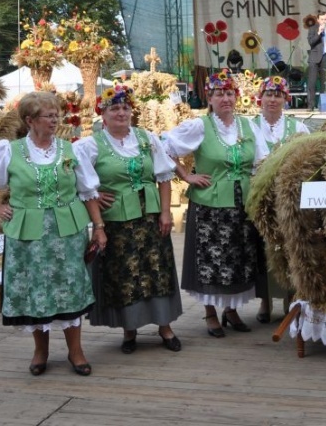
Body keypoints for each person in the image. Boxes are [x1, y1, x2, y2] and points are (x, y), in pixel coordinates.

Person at [0, 91, 107, 377]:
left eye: (57, 115)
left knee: (70, 287)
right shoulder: (10, 151)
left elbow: (87, 191)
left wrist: (99, 228)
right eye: (48, 116)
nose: (55, 120)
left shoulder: (71, 150)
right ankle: (40, 351)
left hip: (67, 233)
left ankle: (76, 351)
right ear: (30, 120)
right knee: (35, 290)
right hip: (27, 236)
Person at [74, 83, 183, 354]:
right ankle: (129, 330)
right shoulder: (91, 145)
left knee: (158, 269)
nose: (121, 113)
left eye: (125, 108)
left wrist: (166, 212)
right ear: (103, 114)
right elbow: (80, 182)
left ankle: (165, 327)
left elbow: (164, 176)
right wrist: (95, 202)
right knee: (125, 273)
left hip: (150, 217)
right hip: (116, 221)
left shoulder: (147, 139)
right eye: (114, 109)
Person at [163, 70, 269, 337]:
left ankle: (231, 310)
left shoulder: (248, 126)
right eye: (219, 94)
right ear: (209, 98)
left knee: (238, 258)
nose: (226, 99)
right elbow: (165, 147)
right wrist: (186, 175)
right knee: (210, 260)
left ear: (237, 97)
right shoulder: (200, 126)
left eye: (230, 93)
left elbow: (262, 160)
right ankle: (210, 312)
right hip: (209, 204)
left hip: (242, 204)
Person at [250, 75, 310, 322]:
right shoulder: (249, 126)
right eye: (268, 95)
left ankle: (291, 299)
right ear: (260, 98)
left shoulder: (298, 128)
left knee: (290, 246)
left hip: (289, 197)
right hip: (260, 197)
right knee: (262, 247)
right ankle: (265, 301)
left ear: (286, 99)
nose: (272, 100)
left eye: (278, 95)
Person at [307, 11, 326, 109]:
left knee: (325, 83)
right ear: (318, 20)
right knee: (312, 82)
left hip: (325, 57)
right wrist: (319, 33)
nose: (323, 21)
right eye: (322, 19)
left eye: (325, 19)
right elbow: (311, 42)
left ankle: (323, 105)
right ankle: (311, 105)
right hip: (314, 58)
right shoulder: (313, 29)